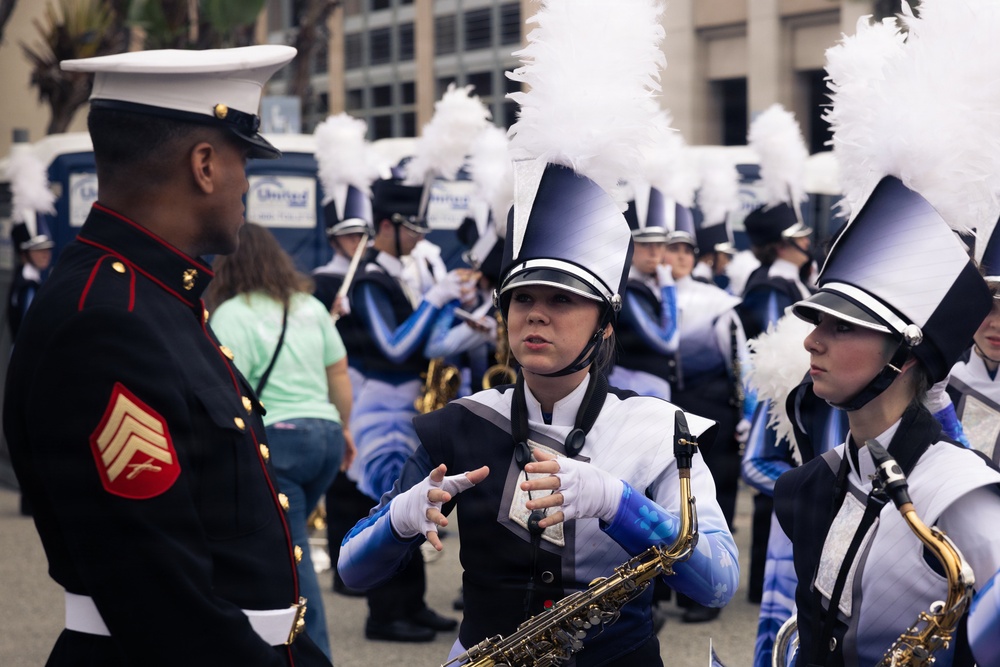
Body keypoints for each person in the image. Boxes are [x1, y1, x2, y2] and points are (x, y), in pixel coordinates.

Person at [340, 1, 739, 661]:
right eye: (521, 298)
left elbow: (719, 580)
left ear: (604, 322)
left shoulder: (657, 431)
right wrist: (399, 519)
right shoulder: (459, 423)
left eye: (562, 300)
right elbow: (353, 571)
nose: (535, 314)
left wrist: (619, 503)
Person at [1, 46, 332, 665]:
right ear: (204, 165)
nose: (246, 185)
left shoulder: (153, 299)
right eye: (243, 161)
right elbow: (163, 603)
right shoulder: (107, 320)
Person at [775, 4, 1000, 664]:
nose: (812, 341)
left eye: (842, 326)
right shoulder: (821, 476)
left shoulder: (958, 491)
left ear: (905, 352)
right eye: (817, 322)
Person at [335, 170, 481, 642]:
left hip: (407, 406)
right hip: (380, 407)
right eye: (411, 228)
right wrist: (436, 299)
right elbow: (395, 347)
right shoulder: (369, 280)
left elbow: (428, 342)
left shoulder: (400, 274)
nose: (419, 237)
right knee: (389, 506)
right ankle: (384, 614)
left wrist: (465, 317)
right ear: (386, 226)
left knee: (415, 500)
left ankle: (412, 604)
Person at [206, 223, 355, 660]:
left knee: (293, 560)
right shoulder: (309, 305)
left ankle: (314, 657)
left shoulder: (230, 313)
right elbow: (338, 373)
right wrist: (344, 427)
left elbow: (228, 387)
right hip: (325, 436)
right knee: (288, 546)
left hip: (278, 443)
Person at [663, 220, 749, 623]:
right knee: (664, 498)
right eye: (672, 249)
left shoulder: (716, 301)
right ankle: (662, 586)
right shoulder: (643, 296)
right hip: (665, 407)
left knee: (710, 497)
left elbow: (740, 363)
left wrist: (747, 414)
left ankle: (705, 593)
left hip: (712, 409)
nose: (679, 257)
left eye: (686, 250)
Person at [608, 186, 678, 400]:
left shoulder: (649, 283)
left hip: (651, 386)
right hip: (632, 387)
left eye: (660, 244)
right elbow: (668, 341)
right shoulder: (628, 288)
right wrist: (669, 289)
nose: (654, 252)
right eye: (645, 244)